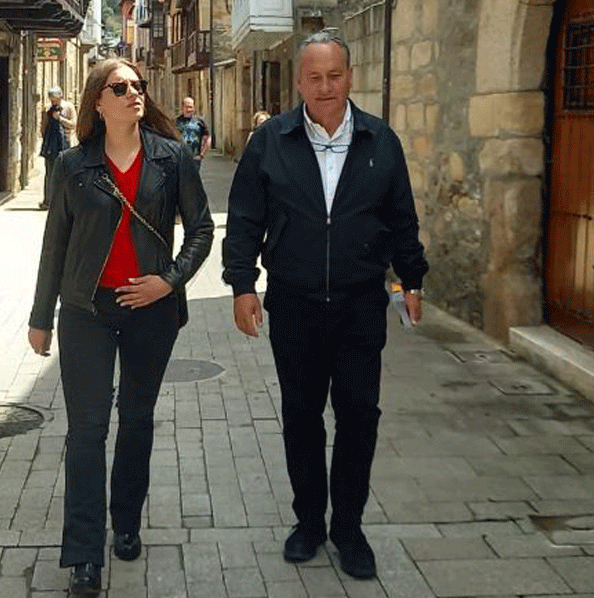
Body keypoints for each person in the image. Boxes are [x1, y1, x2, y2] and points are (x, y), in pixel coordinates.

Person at [221, 31, 428, 579]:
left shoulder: (381, 142)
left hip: (361, 306)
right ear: (299, 82)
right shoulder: (272, 142)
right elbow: (243, 218)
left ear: (350, 76)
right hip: (294, 304)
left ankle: (349, 528)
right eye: (314, 77)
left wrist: (412, 280)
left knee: (360, 417)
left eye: (335, 75)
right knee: (302, 418)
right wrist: (243, 285)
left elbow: (401, 219)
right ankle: (310, 521)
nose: (326, 86)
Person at [29, 59, 214, 596]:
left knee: (136, 420)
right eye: (120, 87)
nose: (133, 93)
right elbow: (55, 245)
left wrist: (170, 281)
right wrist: (42, 317)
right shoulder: (73, 164)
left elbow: (201, 229)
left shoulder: (172, 156)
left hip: (150, 312)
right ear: (98, 101)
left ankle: (127, 522)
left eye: (137, 86)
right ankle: (85, 553)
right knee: (86, 431)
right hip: (86, 310)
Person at [39, 85, 77, 210]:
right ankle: (48, 200)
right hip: (51, 144)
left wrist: (60, 119)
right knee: (50, 172)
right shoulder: (47, 109)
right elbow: (43, 126)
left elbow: (73, 124)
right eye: (51, 100)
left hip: (64, 142)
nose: (53, 102)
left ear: (61, 97)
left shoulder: (68, 107)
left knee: (65, 172)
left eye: (55, 99)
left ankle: (64, 201)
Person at [175, 96, 211, 166]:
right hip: (179, 158)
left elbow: (207, 138)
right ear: (182, 108)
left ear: (194, 108)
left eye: (191, 107)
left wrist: (202, 154)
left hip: (195, 158)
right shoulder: (176, 122)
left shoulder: (200, 121)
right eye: (186, 107)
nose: (189, 109)